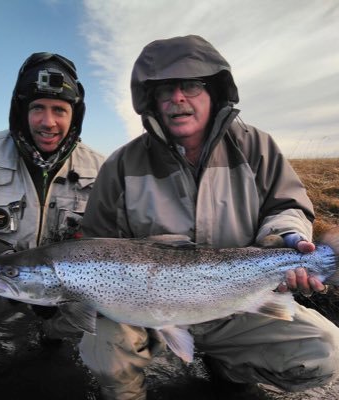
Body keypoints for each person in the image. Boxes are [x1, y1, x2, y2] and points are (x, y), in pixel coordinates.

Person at [79, 35, 339, 399]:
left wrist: (289, 238)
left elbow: (287, 207)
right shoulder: (121, 165)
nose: (178, 98)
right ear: (151, 101)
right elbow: (93, 244)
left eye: (191, 85)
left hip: (239, 299)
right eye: (165, 89)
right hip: (145, 310)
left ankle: (229, 369)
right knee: (102, 349)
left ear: (215, 92)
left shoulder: (256, 147)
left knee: (324, 351)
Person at [0, 52, 104, 392]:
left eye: (59, 109)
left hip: (67, 294)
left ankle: (54, 336)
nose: (48, 121)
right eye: (37, 108)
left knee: (115, 308)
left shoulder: (101, 168)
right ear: (20, 110)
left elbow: (113, 240)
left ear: (75, 115)